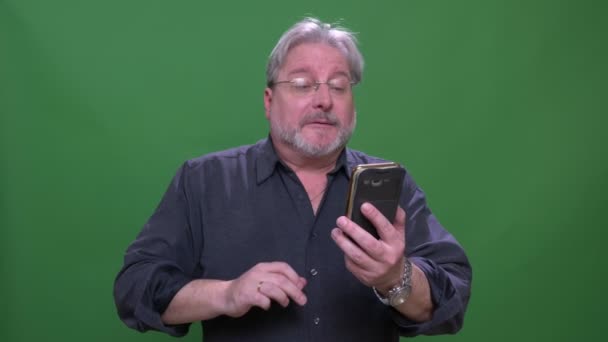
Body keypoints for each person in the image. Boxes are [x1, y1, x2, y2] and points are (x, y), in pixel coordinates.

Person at [114, 17, 472, 342]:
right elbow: (134, 289)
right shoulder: (202, 181)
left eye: (338, 85)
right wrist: (225, 294)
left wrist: (396, 277)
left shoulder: (391, 185)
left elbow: (452, 300)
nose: (324, 100)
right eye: (303, 85)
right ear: (269, 101)